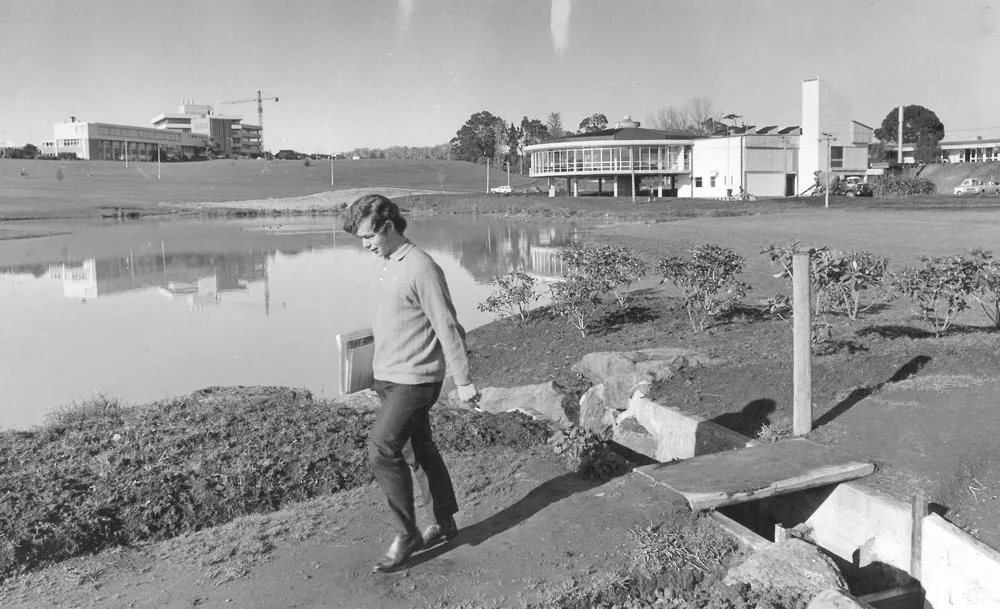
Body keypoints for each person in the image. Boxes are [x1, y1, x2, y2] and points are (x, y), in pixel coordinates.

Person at [342, 194, 480, 572]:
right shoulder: (384, 261)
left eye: (368, 237)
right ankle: (444, 519)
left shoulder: (422, 267)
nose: (364, 245)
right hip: (387, 375)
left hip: (416, 379)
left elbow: (447, 326)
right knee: (416, 449)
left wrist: (464, 381)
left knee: (381, 448)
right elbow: (392, 318)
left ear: (388, 227)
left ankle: (406, 535)